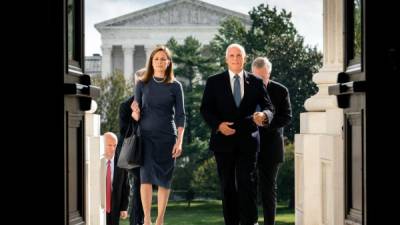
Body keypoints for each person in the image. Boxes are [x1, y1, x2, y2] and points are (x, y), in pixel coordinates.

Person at [200, 43, 275, 225]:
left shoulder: (256, 82)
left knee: (246, 183)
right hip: (223, 141)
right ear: (226, 59)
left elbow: (269, 107)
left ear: (244, 59)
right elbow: (205, 109)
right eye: (232, 55)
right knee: (227, 186)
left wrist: (264, 115)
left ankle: (250, 222)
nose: (235, 59)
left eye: (239, 55)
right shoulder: (214, 82)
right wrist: (218, 125)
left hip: (248, 141)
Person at [131, 45, 186, 225]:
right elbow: (136, 113)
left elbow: (180, 116)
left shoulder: (176, 86)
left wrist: (179, 141)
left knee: (164, 180)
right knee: (145, 178)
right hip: (145, 137)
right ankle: (146, 219)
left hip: (167, 138)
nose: (160, 62)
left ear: (169, 62)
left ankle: (160, 219)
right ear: (151, 62)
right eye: (156, 59)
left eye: (163, 59)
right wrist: (135, 113)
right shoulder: (142, 83)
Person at [251, 57, 292, 225]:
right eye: (256, 77)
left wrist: (266, 122)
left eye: (264, 76)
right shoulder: (244, 89)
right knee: (248, 189)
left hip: (271, 148)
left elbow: (286, 117)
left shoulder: (281, 91)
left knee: (268, 191)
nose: (260, 80)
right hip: (248, 146)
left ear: (269, 73)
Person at [118, 68, 146, 225]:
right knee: (140, 186)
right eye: (139, 83)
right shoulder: (125, 105)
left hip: (153, 151)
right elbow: (123, 133)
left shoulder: (156, 103)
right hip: (135, 153)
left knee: (146, 187)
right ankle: (137, 222)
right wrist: (135, 119)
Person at [101, 132, 130, 225]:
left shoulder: (122, 162)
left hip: (115, 207)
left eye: (115, 145)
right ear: (102, 144)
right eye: (109, 145)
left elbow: (126, 186)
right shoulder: (96, 161)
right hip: (99, 206)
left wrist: (124, 208)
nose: (113, 148)